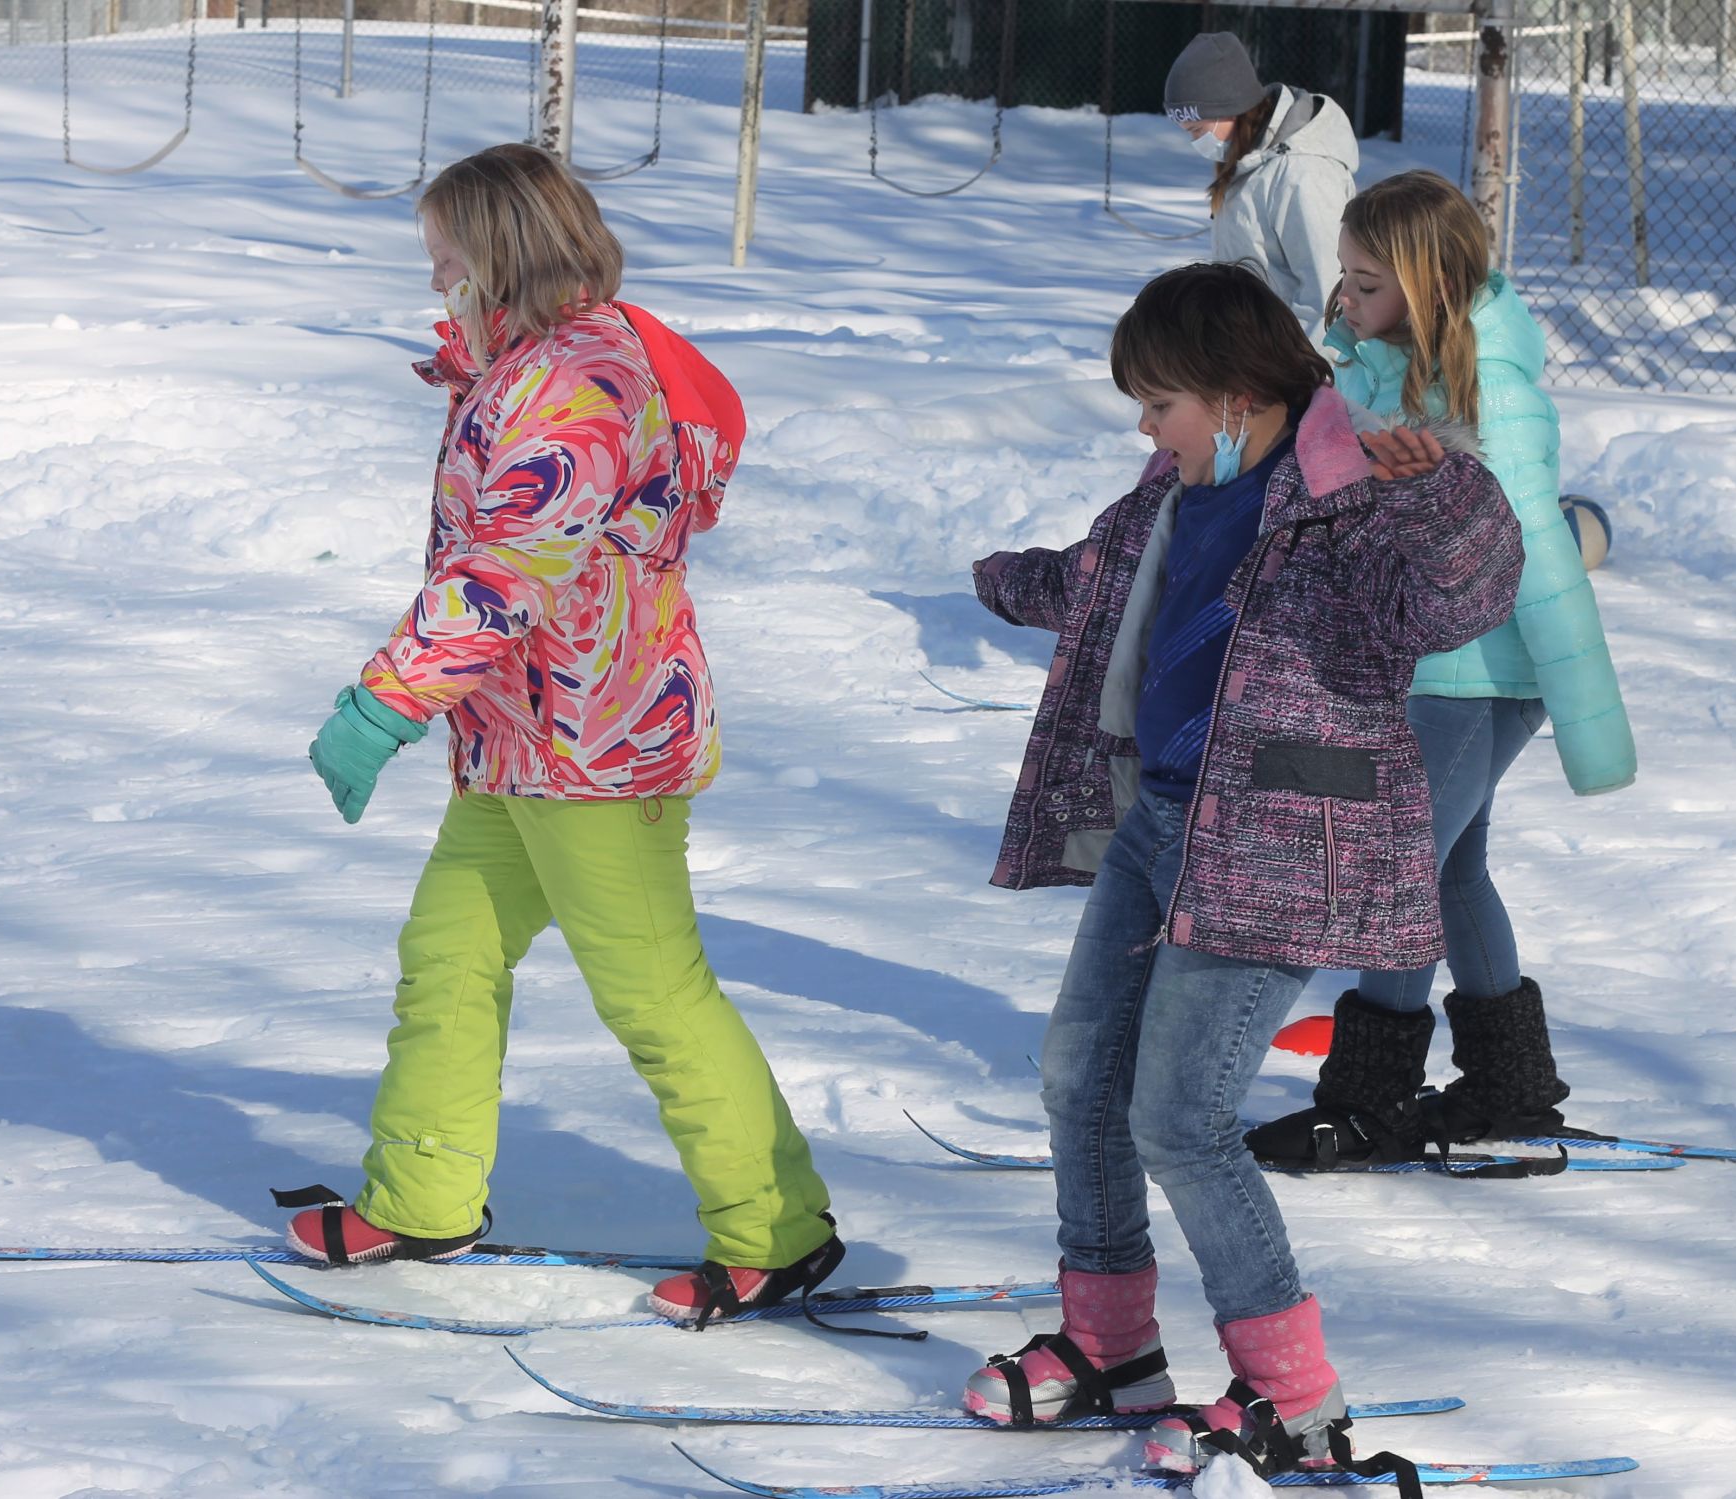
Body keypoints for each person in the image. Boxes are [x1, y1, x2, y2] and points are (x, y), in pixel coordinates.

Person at [958, 262, 1523, 1481]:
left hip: (1279, 846)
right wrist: (1004, 579)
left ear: (1232, 396)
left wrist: (1440, 496)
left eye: (1157, 402)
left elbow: (1459, 597)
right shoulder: (1178, 488)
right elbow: (1105, 579)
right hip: (1161, 819)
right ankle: (1110, 1346)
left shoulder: (1349, 501)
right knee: (1078, 1077)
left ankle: (1293, 1395)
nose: (1143, 428)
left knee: (1179, 1115)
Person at [289, 144, 841, 1327]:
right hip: (522, 739)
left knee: (653, 993)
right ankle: (422, 1194)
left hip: (597, 747)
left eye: (444, 250)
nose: (430, 271)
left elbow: (508, 564)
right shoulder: (529, 365)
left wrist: (387, 699)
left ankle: (776, 1229)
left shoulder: (575, 385)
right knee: (449, 954)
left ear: (499, 252)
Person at [1248, 170, 1637, 1170]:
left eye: (1366, 282)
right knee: (1451, 869)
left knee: (1401, 873)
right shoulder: (1380, 365)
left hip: (1481, 670)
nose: (1344, 297)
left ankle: (1370, 1097)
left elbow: (1535, 548)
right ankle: (1509, 1084)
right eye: (1344, 276)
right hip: (1421, 663)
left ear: (1428, 286)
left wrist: (1586, 713)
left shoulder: (1487, 390)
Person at [1163, 31, 1357, 326]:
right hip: (1253, 345)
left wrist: (1300, 356)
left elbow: (1328, 294)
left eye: (1197, 130)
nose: (1195, 142)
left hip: (1289, 351)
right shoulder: (1248, 164)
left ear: (1228, 108)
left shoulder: (1303, 173)